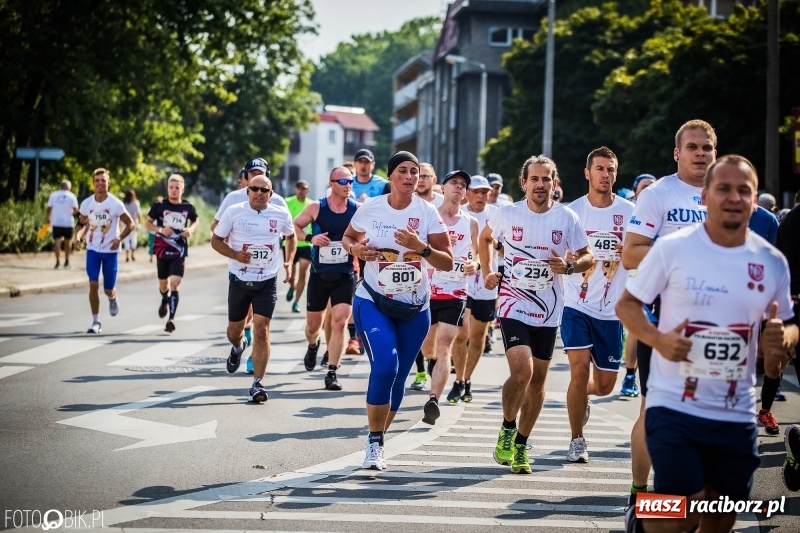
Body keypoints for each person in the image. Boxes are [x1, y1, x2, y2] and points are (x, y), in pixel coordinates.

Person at [617, 154, 797, 533]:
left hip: (734, 411)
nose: (734, 197)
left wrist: (783, 336)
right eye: (723, 189)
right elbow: (628, 305)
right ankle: (644, 518)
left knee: (718, 518)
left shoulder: (772, 262)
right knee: (678, 514)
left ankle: (647, 514)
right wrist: (657, 340)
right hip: (675, 404)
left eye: (743, 190)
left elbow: (790, 325)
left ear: (753, 199)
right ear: (705, 197)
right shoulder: (671, 249)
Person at [621, 119, 716, 507]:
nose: (699, 154)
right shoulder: (660, 194)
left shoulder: (728, 194)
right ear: (677, 153)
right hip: (665, 321)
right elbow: (630, 254)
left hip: (717, 327)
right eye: (692, 147)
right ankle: (639, 493)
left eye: (706, 147)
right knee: (655, 409)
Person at [479, 155, 593, 474]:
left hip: (550, 308)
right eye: (535, 179)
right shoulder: (507, 213)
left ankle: (520, 444)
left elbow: (588, 257)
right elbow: (485, 239)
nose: (540, 184)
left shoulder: (566, 217)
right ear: (524, 182)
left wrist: (570, 266)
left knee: (539, 381)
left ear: (553, 183)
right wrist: (489, 269)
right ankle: (506, 427)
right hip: (513, 303)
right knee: (522, 372)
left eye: (546, 179)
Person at [341, 151, 452, 471]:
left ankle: (378, 437)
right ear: (390, 176)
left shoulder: (427, 212)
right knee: (385, 366)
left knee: (400, 378)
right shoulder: (372, 208)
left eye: (414, 172)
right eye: (402, 171)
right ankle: (374, 442)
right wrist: (356, 249)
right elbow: (349, 237)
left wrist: (421, 247)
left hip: (415, 308)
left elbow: (446, 260)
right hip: (373, 300)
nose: (409, 177)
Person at [562, 147, 635, 463]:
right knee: (578, 372)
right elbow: (557, 252)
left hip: (612, 311)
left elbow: (643, 257)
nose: (606, 175)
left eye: (611, 170)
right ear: (587, 173)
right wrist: (567, 260)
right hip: (576, 305)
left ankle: (584, 398)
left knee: (604, 385)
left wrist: (629, 251)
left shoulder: (632, 212)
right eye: (600, 169)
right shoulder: (572, 212)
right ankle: (577, 440)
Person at [211, 173, 296, 403]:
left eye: (264, 190)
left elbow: (291, 236)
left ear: (271, 193)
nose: (259, 193)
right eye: (254, 189)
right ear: (248, 190)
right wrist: (236, 255)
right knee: (234, 332)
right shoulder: (234, 211)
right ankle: (238, 347)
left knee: (262, 330)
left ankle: (257, 383)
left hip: (267, 280)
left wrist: (288, 262)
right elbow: (215, 241)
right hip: (239, 279)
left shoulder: (280, 213)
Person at [418, 170, 479, 423]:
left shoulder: (471, 222)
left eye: (463, 185)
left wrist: (474, 265)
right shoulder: (429, 217)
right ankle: (430, 364)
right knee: (428, 347)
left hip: (455, 291)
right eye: (454, 183)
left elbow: (476, 255)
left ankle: (433, 400)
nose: (459, 187)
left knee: (445, 345)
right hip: (427, 290)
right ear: (442, 188)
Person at [293, 167, 359, 390]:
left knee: (339, 322)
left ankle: (332, 371)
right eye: (342, 181)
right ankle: (313, 345)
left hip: (345, 274)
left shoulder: (356, 210)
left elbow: (366, 234)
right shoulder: (316, 207)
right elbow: (294, 227)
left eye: (350, 181)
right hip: (319, 275)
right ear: (331, 183)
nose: (348, 185)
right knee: (313, 326)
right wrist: (311, 237)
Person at [451, 175, 499, 399]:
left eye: (484, 192)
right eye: (476, 191)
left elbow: (507, 249)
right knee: (461, 333)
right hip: (463, 281)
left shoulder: (498, 216)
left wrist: (498, 245)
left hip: (487, 283)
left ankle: (467, 378)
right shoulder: (459, 214)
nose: (480, 196)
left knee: (478, 337)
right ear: (467, 193)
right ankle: (458, 379)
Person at [74, 168, 136, 334]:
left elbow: (131, 224)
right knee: (93, 284)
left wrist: (119, 239)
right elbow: (81, 224)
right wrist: (78, 237)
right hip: (93, 249)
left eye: (103, 180)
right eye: (97, 180)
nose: (100, 183)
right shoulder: (87, 204)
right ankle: (96, 321)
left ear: (108, 183)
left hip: (111, 251)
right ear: (93, 183)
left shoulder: (116, 204)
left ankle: (112, 297)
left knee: (108, 288)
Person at [347, 148, 391, 356]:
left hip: (376, 244)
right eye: (360, 161)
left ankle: (372, 331)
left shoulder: (383, 185)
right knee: (356, 289)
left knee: (376, 287)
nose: (363, 165)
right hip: (352, 240)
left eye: (367, 162)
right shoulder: (347, 182)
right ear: (355, 164)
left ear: (372, 164)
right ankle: (354, 336)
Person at [144, 174, 199, 332]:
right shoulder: (159, 205)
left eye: (177, 188)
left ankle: (171, 319)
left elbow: (196, 220)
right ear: (167, 188)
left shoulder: (188, 207)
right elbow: (147, 224)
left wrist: (190, 229)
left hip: (179, 249)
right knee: (163, 284)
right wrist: (160, 229)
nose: (174, 191)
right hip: (162, 248)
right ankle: (164, 299)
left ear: (182, 189)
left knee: (175, 283)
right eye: (171, 187)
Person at [619, 173, 658, 398]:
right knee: (635, 329)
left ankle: (635, 375)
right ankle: (630, 375)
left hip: (652, 274)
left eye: (652, 187)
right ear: (636, 190)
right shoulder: (629, 209)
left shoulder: (659, 206)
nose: (649, 191)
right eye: (644, 187)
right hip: (629, 272)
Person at [285, 180, 313, 313]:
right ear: (296, 189)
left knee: (303, 272)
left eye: (304, 188)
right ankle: (292, 286)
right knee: (290, 274)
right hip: (289, 243)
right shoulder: (287, 202)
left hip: (306, 243)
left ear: (308, 190)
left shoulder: (312, 205)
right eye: (299, 188)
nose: (301, 191)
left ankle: (296, 302)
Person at [46, 179, 79, 269]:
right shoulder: (71, 196)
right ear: (69, 187)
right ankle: (67, 261)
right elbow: (76, 209)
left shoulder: (54, 195)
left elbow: (49, 208)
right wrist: (71, 212)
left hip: (56, 222)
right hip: (68, 222)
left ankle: (57, 262)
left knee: (57, 241)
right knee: (68, 242)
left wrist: (48, 218)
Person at [122, 189, 141, 262]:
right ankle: (132, 254)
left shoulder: (124, 203)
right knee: (133, 239)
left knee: (126, 239)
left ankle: (127, 255)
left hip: (125, 223)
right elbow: (138, 214)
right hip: (134, 223)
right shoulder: (136, 203)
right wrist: (139, 222)